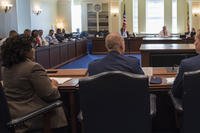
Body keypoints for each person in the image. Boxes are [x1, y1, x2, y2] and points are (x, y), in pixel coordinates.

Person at [1, 36, 68, 132]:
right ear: (24, 51)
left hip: (13, 114)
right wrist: (54, 84)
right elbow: (51, 95)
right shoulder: (33, 67)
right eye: (32, 47)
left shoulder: (5, 68)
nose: (34, 49)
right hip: (32, 117)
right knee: (64, 108)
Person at [171, 30, 200, 99]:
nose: (195, 43)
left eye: (196, 40)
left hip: (193, 107)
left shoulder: (186, 64)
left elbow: (175, 91)